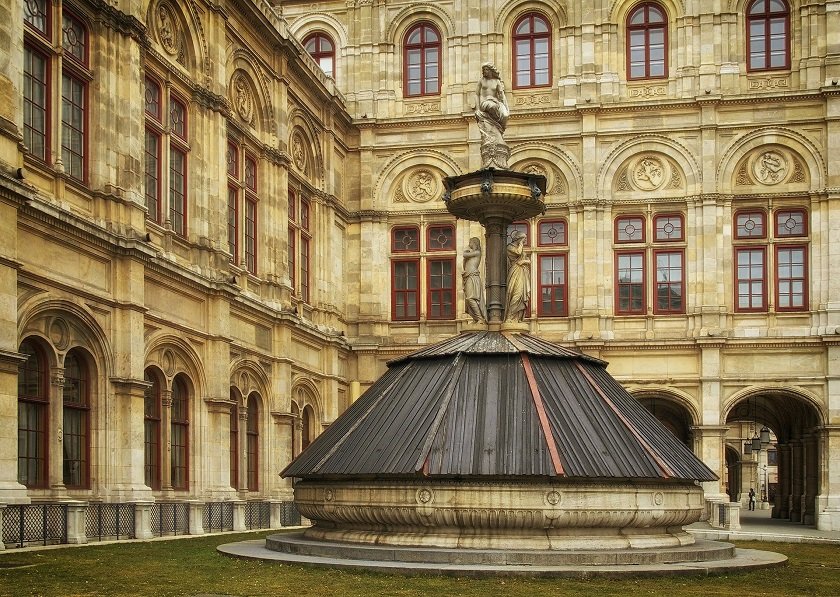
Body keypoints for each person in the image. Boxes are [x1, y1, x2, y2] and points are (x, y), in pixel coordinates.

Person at [504, 230, 530, 322]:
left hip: (522, 272)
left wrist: (524, 261)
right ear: (519, 238)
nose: (525, 241)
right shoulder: (510, 247)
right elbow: (518, 253)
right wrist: (521, 244)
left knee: (522, 295)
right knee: (516, 293)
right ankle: (509, 317)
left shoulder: (520, 248)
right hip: (515, 271)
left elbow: (528, 261)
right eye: (524, 239)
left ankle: (517, 317)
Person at [462, 237, 486, 323]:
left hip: (472, 276)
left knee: (471, 298)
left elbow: (464, 254)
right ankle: (477, 318)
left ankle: (480, 318)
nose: (469, 244)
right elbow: (464, 264)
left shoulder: (477, 252)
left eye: (470, 242)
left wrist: (466, 252)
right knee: (469, 298)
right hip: (468, 276)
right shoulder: (473, 253)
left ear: (474, 243)